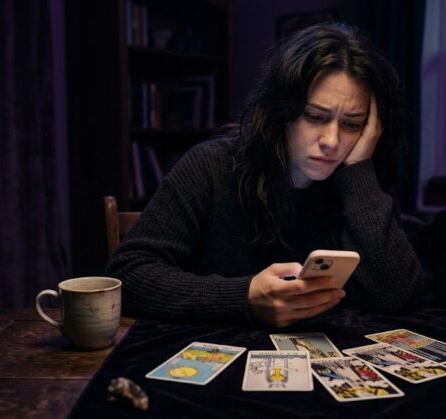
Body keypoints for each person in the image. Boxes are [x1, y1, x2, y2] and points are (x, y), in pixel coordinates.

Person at [107, 22, 422, 327]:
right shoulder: (211, 167)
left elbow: (400, 298)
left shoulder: (360, 178)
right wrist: (243, 298)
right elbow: (127, 275)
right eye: (314, 116)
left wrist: (359, 174)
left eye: (352, 124)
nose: (331, 141)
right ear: (281, 111)